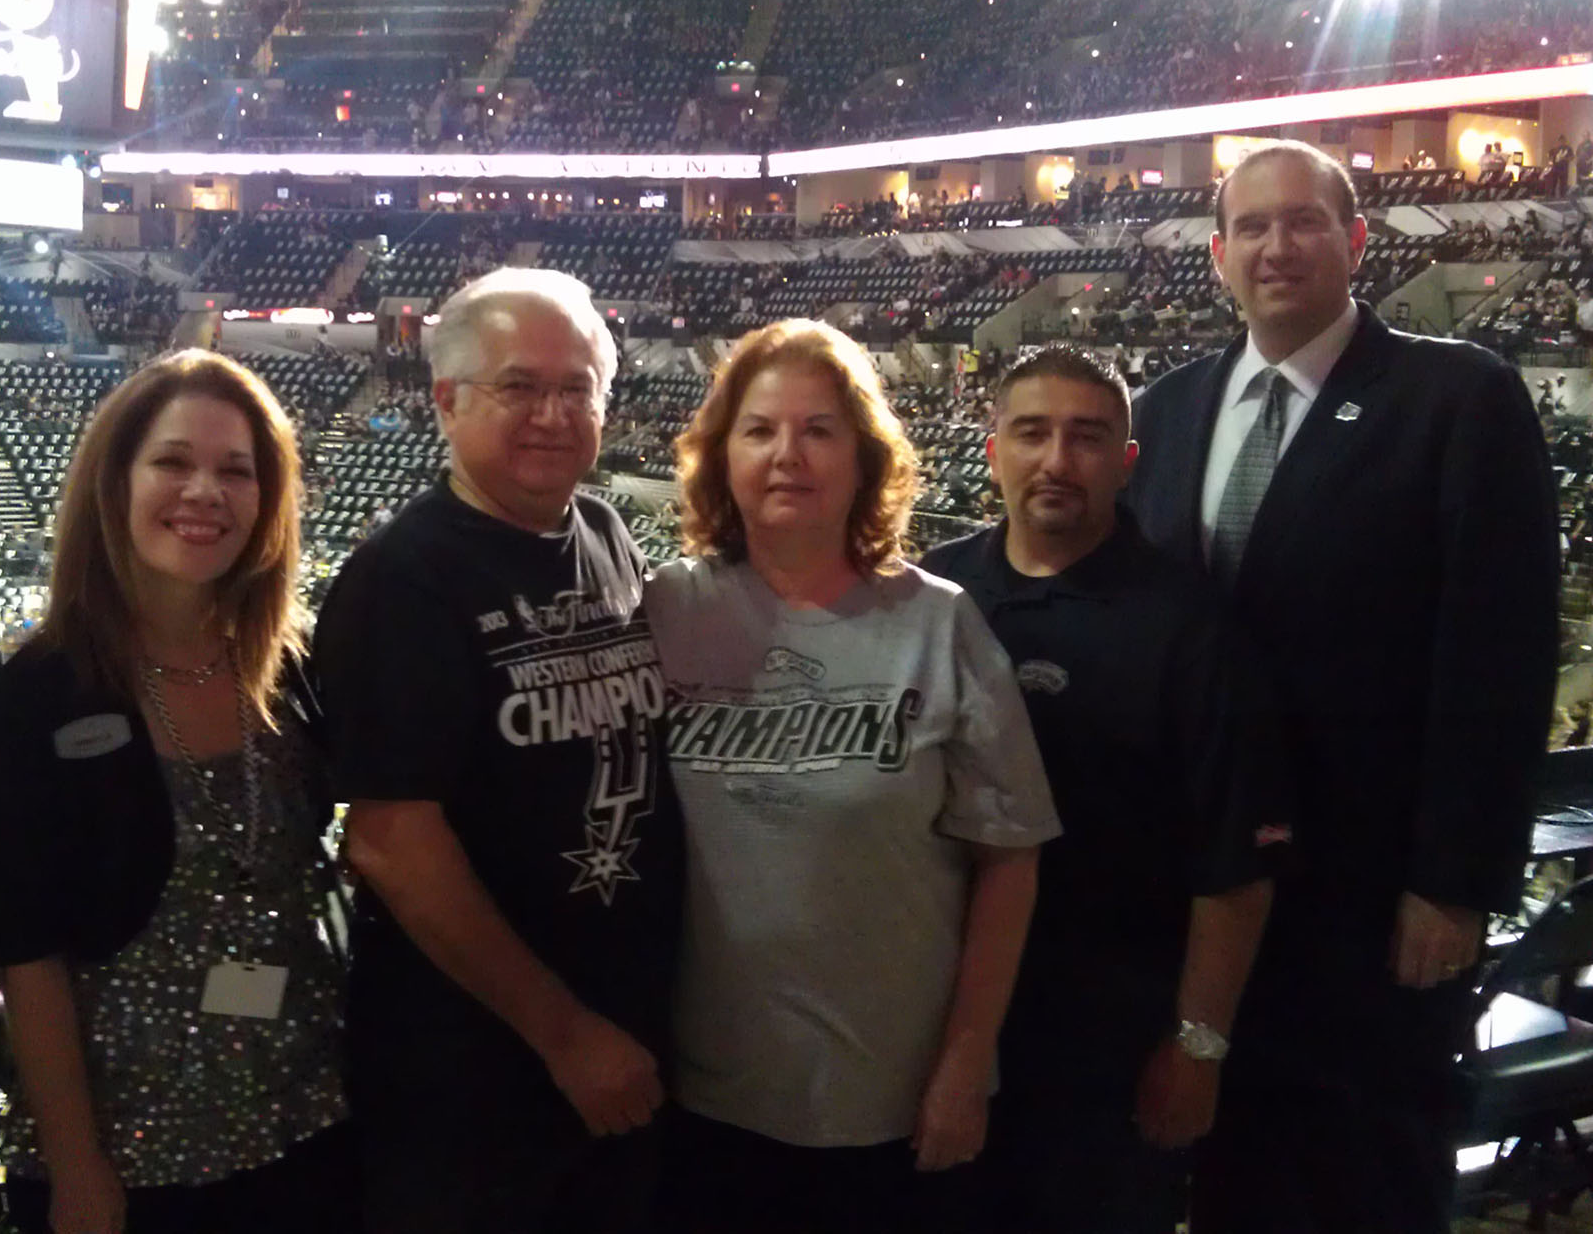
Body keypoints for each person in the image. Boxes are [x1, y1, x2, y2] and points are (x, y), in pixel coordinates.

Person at [1125, 140, 1558, 1234]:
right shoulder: (1166, 410)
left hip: (1368, 891)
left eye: (1303, 221)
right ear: (1216, 254)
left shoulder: (1456, 396)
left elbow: (1496, 653)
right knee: (1218, 1160)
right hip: (1203, 882)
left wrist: (1453, 879)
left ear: (1354, 240)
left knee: (1364, 1170)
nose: (1277, 246)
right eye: (1251, 228)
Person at [644, 319, 1059, 1234]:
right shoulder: (666, 608)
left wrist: (966, 1061)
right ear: (721, 456)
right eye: (759, 430)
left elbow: (1010, 862)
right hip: (711, 1096)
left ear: (864, 456)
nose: (787, 454)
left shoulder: (939, 623)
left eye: (819, 429)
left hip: (897, 1100)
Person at [314, 268, 681, 1234]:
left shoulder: (603, 531)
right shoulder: (401, 577)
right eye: (519, 386)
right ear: (447, 399)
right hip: (476, 1066)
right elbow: (393, 840)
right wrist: (564, 1033)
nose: (553, 415)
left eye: (578, 388)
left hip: (620, 1036)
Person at [0, 351, 352, 1234]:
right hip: (126, 1157)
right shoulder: (45, 691)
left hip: (307, 1126)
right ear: (117, 482)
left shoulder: (294, 668)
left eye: (235, 470)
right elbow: (25, 951)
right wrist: (76, 1163)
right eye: (173, 462)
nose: (204, 491)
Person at [925, 346, 1285, 1234]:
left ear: (1128, 460)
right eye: (1032, 433)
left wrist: (1197, 1044)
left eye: (1086, 438)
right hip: (938, 1022)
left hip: (1108, 1043)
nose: (1056, 461)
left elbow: (1233, 867)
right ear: (993, 446)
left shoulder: (1192, 625)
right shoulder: (934, 595)